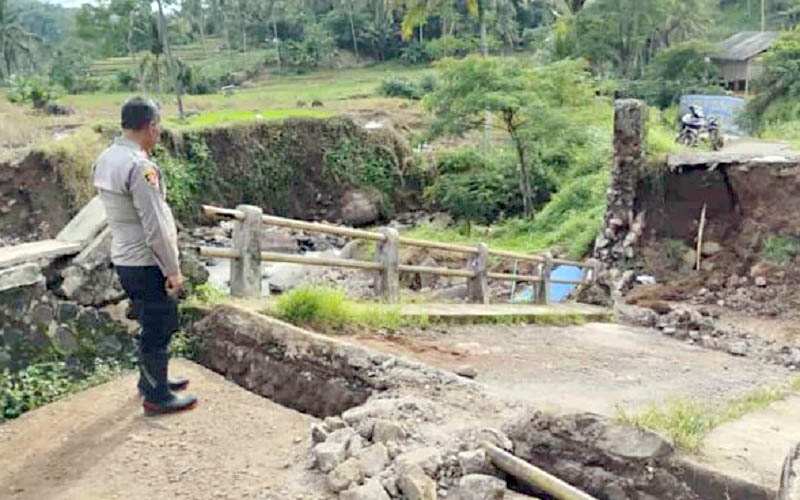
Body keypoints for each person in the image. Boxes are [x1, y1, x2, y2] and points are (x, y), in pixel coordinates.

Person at [93, 96, 197, 415]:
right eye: (158, 126)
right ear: (151, 126)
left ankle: (152, 381)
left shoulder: (107, 157)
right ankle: (157, 396)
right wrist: (173, 269)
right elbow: (156, 225)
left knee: (150, 321)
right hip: (146, 259)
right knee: (161, 323)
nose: (159, 132)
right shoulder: (140, 166)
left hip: (125, 257)